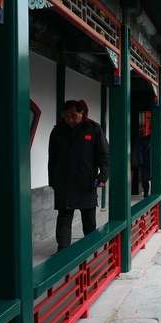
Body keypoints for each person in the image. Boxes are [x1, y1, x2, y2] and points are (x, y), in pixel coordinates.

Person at [48, 100, 109, 253]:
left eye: (73, 116)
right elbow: (52, 158)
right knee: (64, 216)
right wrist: (52, 179)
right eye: (67, 116)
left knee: (88, 217)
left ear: (82, 113)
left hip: (86, 180)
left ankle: (91, 247)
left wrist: (103, 176)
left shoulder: (93, 129)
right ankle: (63, 250)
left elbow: (104, 154)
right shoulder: (57, 131)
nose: (70, 119)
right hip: (64, 180)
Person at [137, 132, 161, 197]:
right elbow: (139, 151)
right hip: (146, 164)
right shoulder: (144, 140)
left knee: (156, 180)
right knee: (145, 180)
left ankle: (155, 194)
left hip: (156, 165)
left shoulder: (160, 141)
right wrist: (140, 161)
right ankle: (146, 192)